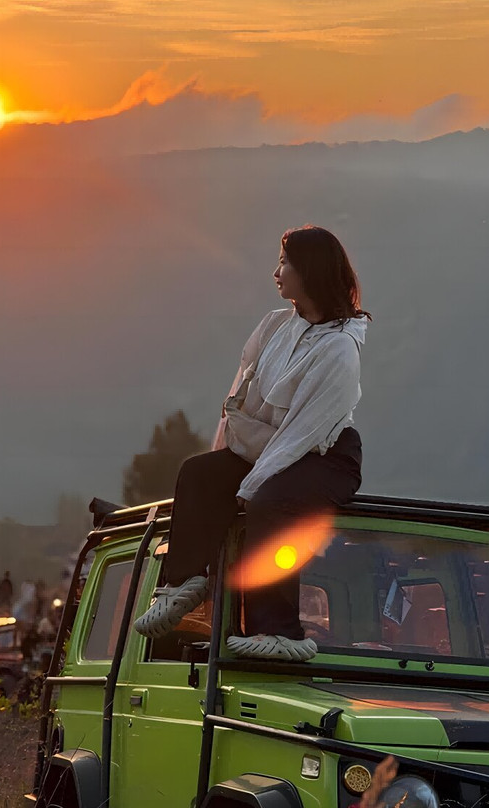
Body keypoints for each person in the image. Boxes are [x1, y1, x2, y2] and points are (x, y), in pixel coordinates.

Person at [134, 225, 370, 661]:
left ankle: (279, 632)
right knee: (198, 474)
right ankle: (182, 584)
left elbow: (302, 433)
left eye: (284, 263)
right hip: (271, 447)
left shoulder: (339, 349)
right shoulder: (275, 325)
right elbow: (238, 400)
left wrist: (248, 485)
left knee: (270, 502)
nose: (276, 272)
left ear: (310, 271)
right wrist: (224, 459)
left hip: (325, 454)